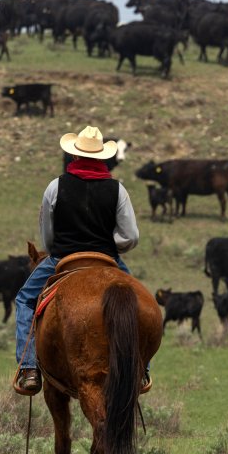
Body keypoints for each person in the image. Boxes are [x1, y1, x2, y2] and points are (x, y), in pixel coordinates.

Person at [13, 125, 145, 396]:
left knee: (25, 300)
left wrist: (60, 249)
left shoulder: (55, 186)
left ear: (74, 156)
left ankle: (28, 369)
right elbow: (130, 236)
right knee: (139, 302)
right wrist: (109, 246)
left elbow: (48, 237)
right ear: (103, 158)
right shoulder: (117, 190)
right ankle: (141, 369)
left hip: (63, 257)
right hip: (107, 258)